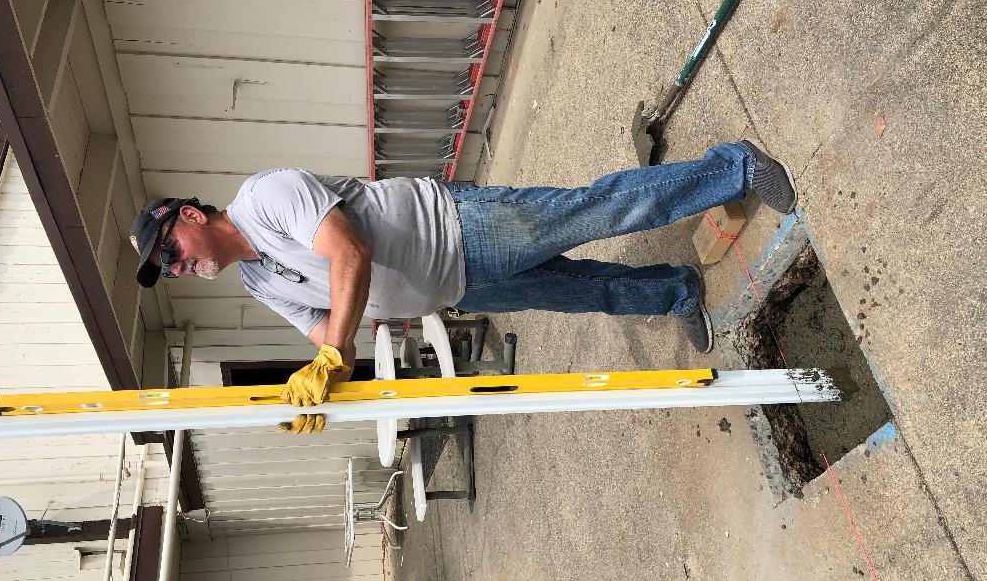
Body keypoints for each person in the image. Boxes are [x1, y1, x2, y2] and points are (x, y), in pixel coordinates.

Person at [130, 139, 796, 432]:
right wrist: (320, 382)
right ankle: (674, 290)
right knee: (580, 291)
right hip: (456, 290)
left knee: (602, 211)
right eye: (170, 269)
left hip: (463, 228)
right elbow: (331, 332)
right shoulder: (255, 280)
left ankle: (734, 167)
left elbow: (350, 254)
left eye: (173, 250)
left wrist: (328, 354)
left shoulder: (265, 197)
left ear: (192, 216)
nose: (179, 266)